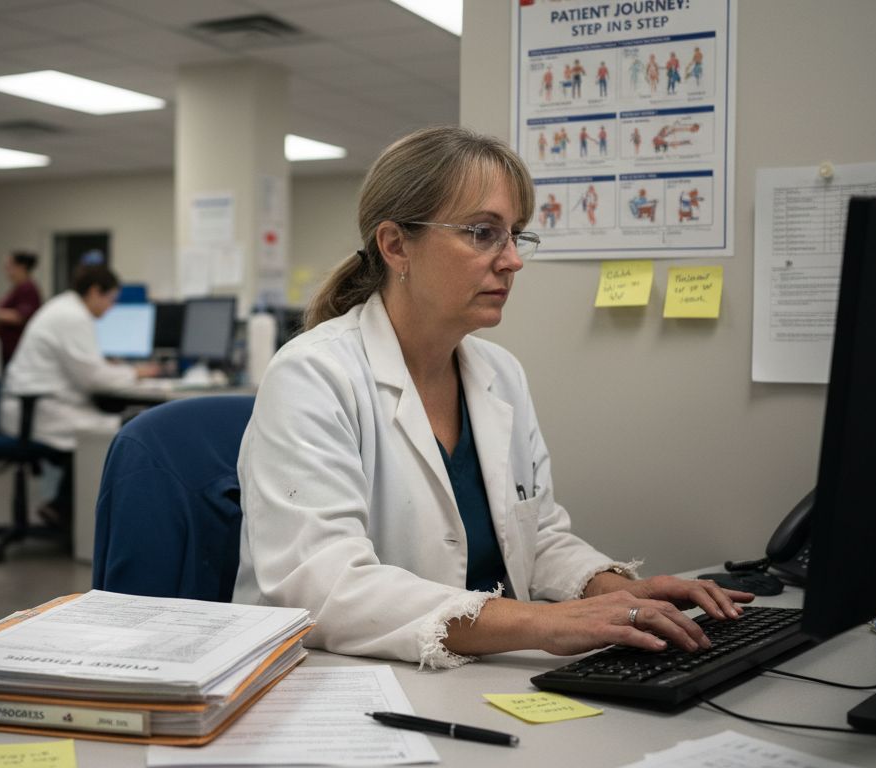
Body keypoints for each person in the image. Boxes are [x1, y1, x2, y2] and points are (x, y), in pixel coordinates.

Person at [234, 126, 751, 669]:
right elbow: (324, 589)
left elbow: (538, 534)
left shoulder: (499, 373)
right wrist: (544, 624)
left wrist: (612, 591)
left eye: (514, 235)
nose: (512, 260)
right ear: (395, 245)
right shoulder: (314, 374)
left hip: (470, 678)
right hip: (340, 685)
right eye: (483, 233)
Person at [0, 264, 159, 523]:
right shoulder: (72, 316)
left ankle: (61, 507)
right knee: (112, 431)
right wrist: (136, 373)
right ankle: (71, 513)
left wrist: (116, 369)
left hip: (37, 405)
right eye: (110, 300)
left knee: (100, 427)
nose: (111, 308)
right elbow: (94, 378)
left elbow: (86, 368)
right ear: (95, 292)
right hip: (36, 410)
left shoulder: (64, 307)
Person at [0, 250, 42, 369]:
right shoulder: (18, 288)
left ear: (21, 267)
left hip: (17, 349)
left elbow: (20, 316)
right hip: (8, 349)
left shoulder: (28, 288)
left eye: (9, 267)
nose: (6, 271)